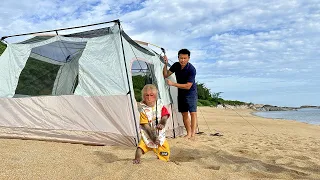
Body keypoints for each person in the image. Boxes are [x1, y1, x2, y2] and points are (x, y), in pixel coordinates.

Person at [162, 48, 197, 139]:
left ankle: (193, 134)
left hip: (191, 93)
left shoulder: (192, 69)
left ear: (188, 58)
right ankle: (188, 133)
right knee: (184, 113)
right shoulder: (176, 65)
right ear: (178, 58)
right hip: (181, 92)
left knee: (193, 113)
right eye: (181, 58)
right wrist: (165, 64)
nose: (183, 60)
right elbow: (165, 75)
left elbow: (188, 86)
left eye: (185, 58)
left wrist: (173, 84)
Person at [133, 84, 170, 164]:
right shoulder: (143, 109)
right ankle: (137, 159)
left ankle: (164, 160)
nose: (149, 98)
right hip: (148, 135)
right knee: (140, 147)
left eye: (151, 95)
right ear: (143, 96)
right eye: (147, 95)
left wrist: (162, 123)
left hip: (160, 135)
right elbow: (145, 126)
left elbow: (165, 116)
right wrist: (152, 137)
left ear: (156, 96)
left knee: (165, 149)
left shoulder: (160, 106)